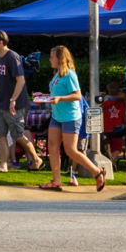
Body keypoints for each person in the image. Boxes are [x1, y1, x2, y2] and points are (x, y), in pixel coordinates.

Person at [36, 45, 105, 192]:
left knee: (71, 151)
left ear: (60, 58)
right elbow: (56, 94)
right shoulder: (57, 75)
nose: (49, 60)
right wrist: (44, 97)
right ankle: (56, 181)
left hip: (71, 117)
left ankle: (97, 172)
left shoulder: (70, 75)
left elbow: (77, 95)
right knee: (52, 148)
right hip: (57, 117)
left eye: (52, 57)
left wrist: (59, 98)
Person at [0, 33, 39, 172]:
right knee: (0, 135)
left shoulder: (12, 57)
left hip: (13, 105)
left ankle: (36, 158)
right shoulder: (0, 58)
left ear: (1, 42)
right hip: (0, 104)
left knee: (18, 135)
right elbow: (4, 83)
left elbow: (21, 81)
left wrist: (13, 100)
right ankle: (3, 165)